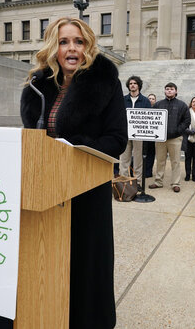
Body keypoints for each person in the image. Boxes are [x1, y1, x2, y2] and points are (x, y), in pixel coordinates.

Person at [20, 17, 127, 328]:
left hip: (86, 192)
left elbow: (117, 140)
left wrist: (74, 146)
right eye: (64, 41)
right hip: (47, 194)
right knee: (50, 264)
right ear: (54, 47)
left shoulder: (105, 82)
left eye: (78, 42)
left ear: (88, 47)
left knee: (87, 266)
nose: (71, 48)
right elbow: (32, 138)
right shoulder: (37, 87)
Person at [149, 83, 190, 193]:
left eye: (171, 89)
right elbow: (152, 119)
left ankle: (175, 183)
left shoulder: (182, 105)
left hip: (175, 138)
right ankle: (158, 181)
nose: (169, 91)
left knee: (175, 161)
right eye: (167, 89)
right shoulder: (158, 104)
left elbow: (186, 120)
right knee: (160, 161)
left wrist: (177, 131)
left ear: (176, 91)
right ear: (164, 91)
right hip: (160, 139)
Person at [119, 76, 151, 186]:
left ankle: (138, 183)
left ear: (139, 86)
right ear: (128, 86)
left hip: (139, 134)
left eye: (135, 83)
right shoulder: (123, 100)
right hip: (125, 133)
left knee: (138, 161)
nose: (132, 85)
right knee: (124, 160)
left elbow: (148, 118)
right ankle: (123, 182)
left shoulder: (145, 101)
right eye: (131, 83)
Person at [145, 93, 157, 177]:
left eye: (153, 99)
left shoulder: (158, 109)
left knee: (151, 155)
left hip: (153, 138)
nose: (151, 100)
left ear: (155, 101)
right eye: (149, 98)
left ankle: (149, 172)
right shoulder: (144, 108)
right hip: (144, 137)